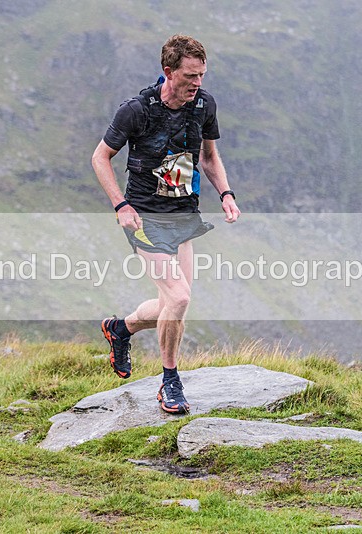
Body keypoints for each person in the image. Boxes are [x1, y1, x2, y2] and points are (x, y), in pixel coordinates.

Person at [92, 34, 240, 414]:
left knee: (169, 305)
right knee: (179, 298)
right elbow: (100, 158)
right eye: (190, 75)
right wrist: (120, 205)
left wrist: (225, 194)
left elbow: (208, 157)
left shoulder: (204, 105)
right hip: (143, 218)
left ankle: (120, 329)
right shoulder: (137, 110)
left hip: (183, 217)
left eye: (202, 75)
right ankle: (169, 382)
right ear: (168, 72)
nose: (197, 83)